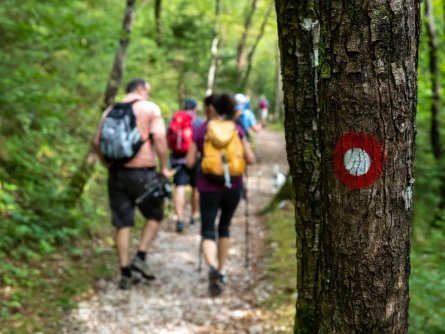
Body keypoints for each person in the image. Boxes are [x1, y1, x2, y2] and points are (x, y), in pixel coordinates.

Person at [94, 78, 171, 289]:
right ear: (141, 89)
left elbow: (96, 142)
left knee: (122, 223)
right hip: (143, 172)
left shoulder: (110, 110)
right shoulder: (149, 108)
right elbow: (160, 139)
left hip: (116, 173)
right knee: (155, 215)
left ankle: (125, 272)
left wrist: (108, 164)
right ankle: (141, 255)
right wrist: (164, 167)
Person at [186, 93, 255, 296]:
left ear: (210, 109)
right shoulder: (237, 129)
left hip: (207, 187)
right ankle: (222, 270)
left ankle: (212, 266)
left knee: (208, 229)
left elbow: (190, 162)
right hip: (233, 186)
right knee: (224, 227)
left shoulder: (200, 130)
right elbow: (250, 159)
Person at [168, 98, 203, 233]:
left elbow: (168, 139)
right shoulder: (198, 122)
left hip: (177, 159)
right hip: (195, 159)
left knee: (180, 188)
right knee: (196, 187)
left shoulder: (175, 119)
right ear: (194, 108)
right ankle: (194, 215)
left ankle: (180, 219)